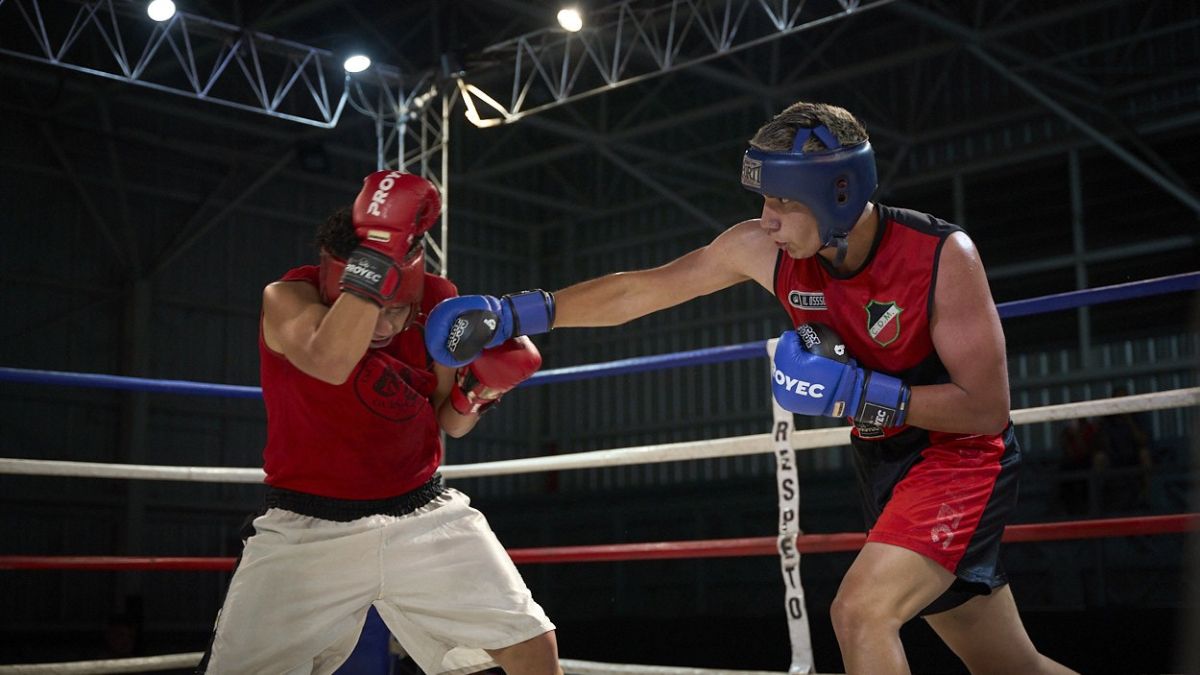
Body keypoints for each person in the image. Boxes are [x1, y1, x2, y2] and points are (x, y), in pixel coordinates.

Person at [422, 102, 1076, 674]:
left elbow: (987, 408)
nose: (767, 219)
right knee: (1006, 663)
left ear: (840, 195)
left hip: (959, 458)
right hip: (886, 463)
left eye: (785, 202)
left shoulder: (941, 256)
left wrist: (854, 394)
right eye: (764, 199)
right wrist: (514, 314)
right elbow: (643, 288)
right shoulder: (765, 250)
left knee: (859, 612)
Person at [199, 170, 561, 675]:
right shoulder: (287, 299)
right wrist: (379, 257)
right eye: (376, 308)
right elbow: (329, 361)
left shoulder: (438, 298)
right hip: (309, 527)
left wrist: (482, 391)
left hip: (423, 513)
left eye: (400, 311)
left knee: (531, 646)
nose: (387, 326)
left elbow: (446, 422)